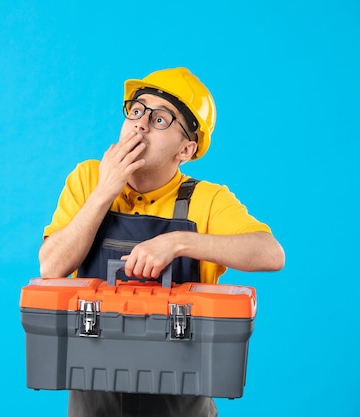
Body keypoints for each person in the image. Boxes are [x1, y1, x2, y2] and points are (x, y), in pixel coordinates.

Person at [38, 67, 285, 417]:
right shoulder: (88, 178)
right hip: (93, 396)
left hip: (182, 399)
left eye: (160, 119)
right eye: (137, 110)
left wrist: (180, 242)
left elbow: (271, 254)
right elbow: (51, 266)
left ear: (186, 149)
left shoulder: (207, 199)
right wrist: (105, 190)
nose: (140, 123)